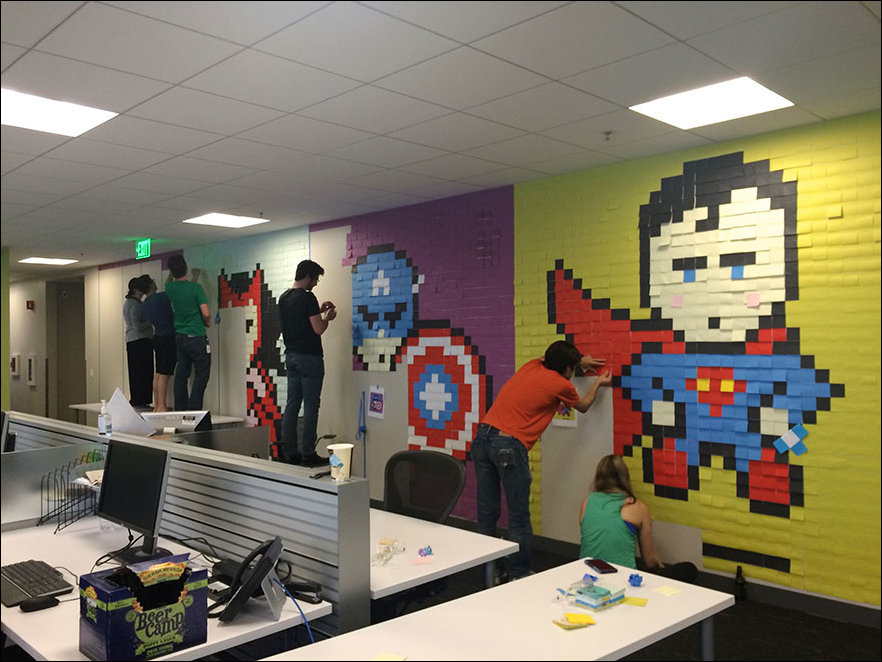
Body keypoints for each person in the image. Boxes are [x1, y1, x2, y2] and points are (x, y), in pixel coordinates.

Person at [473, 340, 611, 580]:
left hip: (482, 437)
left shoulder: (532, 365)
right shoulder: (561, 384)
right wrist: (597, 382)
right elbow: (583, 406)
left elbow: (549, 357)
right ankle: (518, 573)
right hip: (508, 444)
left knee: (487, 511)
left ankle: (489, 570)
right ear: (567, 367)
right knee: (518, 515)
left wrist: (578, 361)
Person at [580, 454, 697, 583]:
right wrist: (660, 565)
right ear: (625, 477)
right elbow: (649, 561)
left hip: (587, 576)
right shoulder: (638, 507)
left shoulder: (587, 501)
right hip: (623, 580)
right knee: (689, 568)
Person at [279, 260, 337, 466]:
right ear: (307, 276)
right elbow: (318, 329)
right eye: (315, 279)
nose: (315, 283)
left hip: (291, 356)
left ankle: (290, 451)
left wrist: (318, 311)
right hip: (310, 358)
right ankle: (308, 452)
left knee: (292, 404)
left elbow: (300, 320)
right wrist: (328, 317)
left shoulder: (284, 298)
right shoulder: (308, 297)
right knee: (311, 405)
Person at [165, 254, 212, 411]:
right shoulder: (196, 288)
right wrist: (207, 322)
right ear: (186, 268)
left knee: (182, 373)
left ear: (171, 271)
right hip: (196, 336)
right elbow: (206, 312)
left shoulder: (170, 288)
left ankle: (181, 408)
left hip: (180, 337)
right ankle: (194, 408)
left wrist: (176, 272)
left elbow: (176, 284)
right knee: (202, 373)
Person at [138, 275, 176, 412]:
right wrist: (171, 274)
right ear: (150, 285)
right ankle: (162, 405)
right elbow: (171, 289)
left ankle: (157, 404)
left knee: (159, 372)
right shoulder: (161, 298)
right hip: (169, 337)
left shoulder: (145, 304)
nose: (155, 282)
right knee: (165, 373)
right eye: (153, 281)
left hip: (158, 337)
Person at [122, 277, 154, 408]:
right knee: (144, 372)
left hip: (133, 341)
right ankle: (142, 400)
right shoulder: (135, 305)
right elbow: (137, 326)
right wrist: (150, 320)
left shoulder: (129, 303)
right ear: (136, 290)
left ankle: (138, 399)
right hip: (140, 341)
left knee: (135, 372)